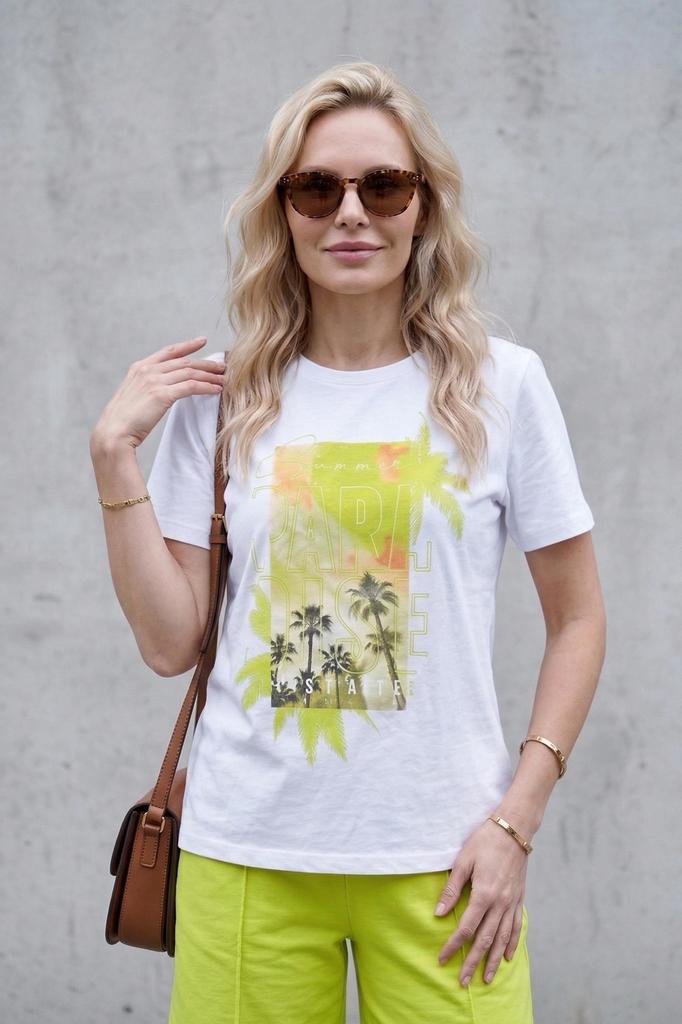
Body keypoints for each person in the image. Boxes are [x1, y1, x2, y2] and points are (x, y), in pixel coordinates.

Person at [90, 60, 606, 1024]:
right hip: (248, 854)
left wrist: (517, 819)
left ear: (424, 206)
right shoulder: (223, 397)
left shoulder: (503, 386)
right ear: (283, 211)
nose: (353, 213)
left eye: (386, 185)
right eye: (318, 189)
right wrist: (114, 456)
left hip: (449, 863)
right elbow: (168, 646)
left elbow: (578, 619)